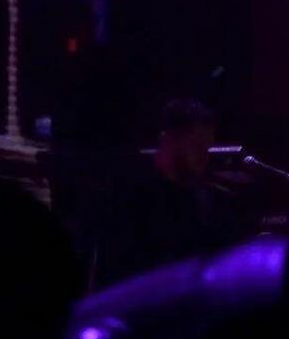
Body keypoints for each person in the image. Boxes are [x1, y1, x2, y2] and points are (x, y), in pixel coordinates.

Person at [99, 100, 247, 283]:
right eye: (196, 145)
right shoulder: (132, 197)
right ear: (168, 140)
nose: (204, 155)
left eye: (207, 147)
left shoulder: (207, 199)